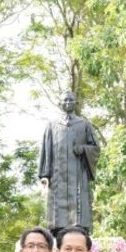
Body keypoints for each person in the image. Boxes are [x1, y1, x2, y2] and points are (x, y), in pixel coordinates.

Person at [39, 91, 101, 235]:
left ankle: (79, 227)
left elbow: (96, 148)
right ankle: (57, 229)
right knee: (56, 209)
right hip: (57, 176)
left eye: (71, 100)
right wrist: (44, 175)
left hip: (78, 173)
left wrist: (84, 149)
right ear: (60, 103)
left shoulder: (84, 124)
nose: (67, 103)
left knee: (78, 204)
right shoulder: (52, 126)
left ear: (76, 103)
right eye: (65, 100)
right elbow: (46, 150)